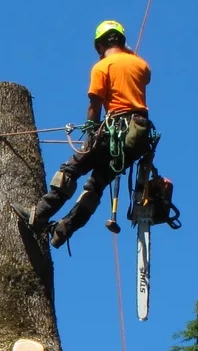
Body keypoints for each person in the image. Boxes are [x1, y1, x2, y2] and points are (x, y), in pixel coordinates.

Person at [30, 21, 156, 247]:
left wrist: (90, 130)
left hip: (114, 130)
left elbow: (94, 105)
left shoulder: (102, 67)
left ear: (99, 45)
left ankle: (39, 214)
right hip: (136, 138)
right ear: (122, 41)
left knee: (71, 170)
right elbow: (145, 75)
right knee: (96, 186)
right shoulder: (140, 65)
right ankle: (63, 230)